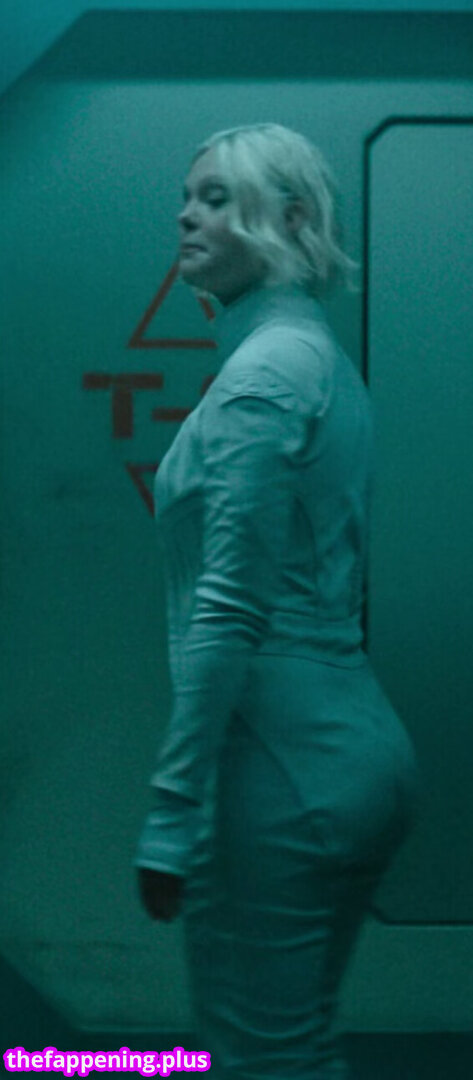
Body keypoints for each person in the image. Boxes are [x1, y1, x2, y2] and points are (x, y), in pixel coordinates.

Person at [133, 123, 420, 1079]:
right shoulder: (311, 359)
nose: (187, 214)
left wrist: (173, 807)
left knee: (263, 1060)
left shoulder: (263, 374)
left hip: (280, 767)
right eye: (187, 195)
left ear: (291, 219)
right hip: (342, 750)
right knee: (293, 1050)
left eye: (216, 197)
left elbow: (229, 607)